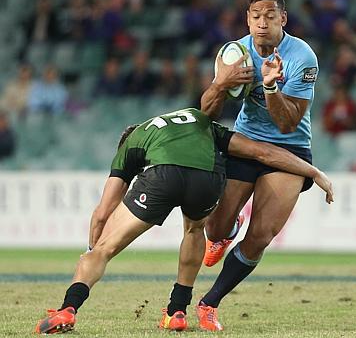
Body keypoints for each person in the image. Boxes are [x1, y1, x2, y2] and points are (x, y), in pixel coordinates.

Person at [34, 105, 333, 334]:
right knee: (194, 230)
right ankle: (177, 312)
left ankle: (68, 308)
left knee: (103, 250)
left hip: (163, 176)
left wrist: (91, 250)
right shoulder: (199, 120)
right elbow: (263, 152)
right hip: (209, 178)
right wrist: (313, 171)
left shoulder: (132, 143)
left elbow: (102, 212)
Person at [197, 0, 319, 331]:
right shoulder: (234, 53)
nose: (262, 23)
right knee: (215, 227)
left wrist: (269, 86)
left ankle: (210, 303)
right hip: (246, 143)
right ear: (247, 20)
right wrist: (221, 84)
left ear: (283, 18)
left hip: (290, 149)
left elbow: (287, 122)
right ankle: (226, 229)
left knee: (261, 235)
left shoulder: (302, 57)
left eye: (269, 16)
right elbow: (207, 112)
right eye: (255, 17)